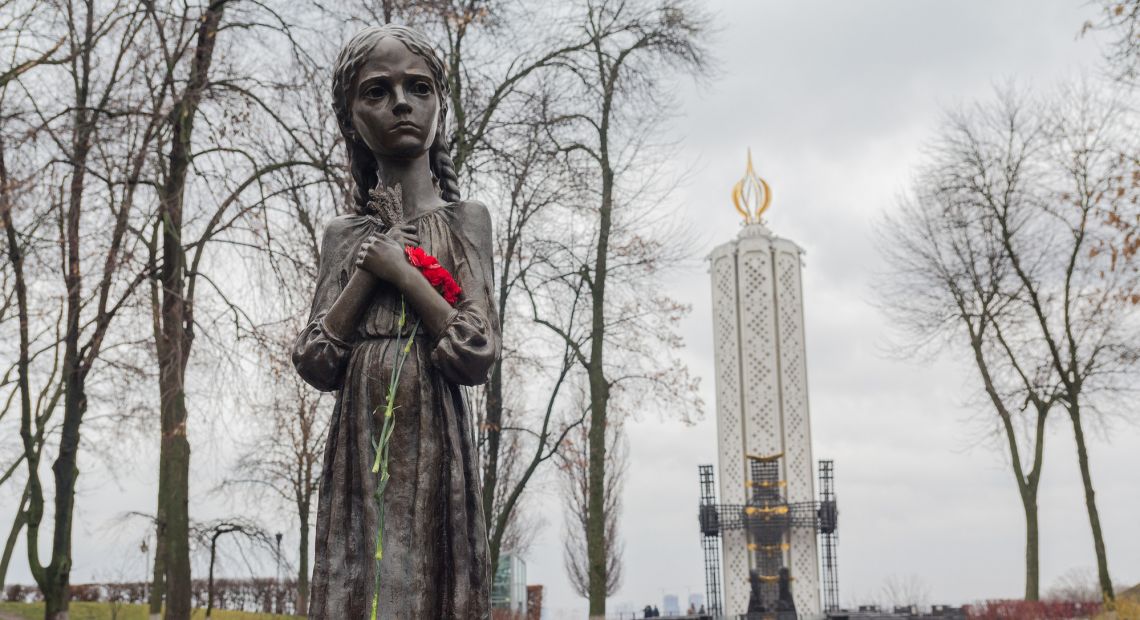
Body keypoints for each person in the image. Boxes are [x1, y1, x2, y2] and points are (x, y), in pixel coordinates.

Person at [293, 24, 499, 620]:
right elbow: (316, 360)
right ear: (350, 115)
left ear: (440, 105)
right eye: (377, 91)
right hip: (360, 434)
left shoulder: (466, 221)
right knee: (360, 581)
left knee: (426, 583)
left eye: (419, 87)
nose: (401, 103)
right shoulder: (343, 236)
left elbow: (477, 350)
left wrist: (405, 272)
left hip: (434, 428)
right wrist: (369, 269)